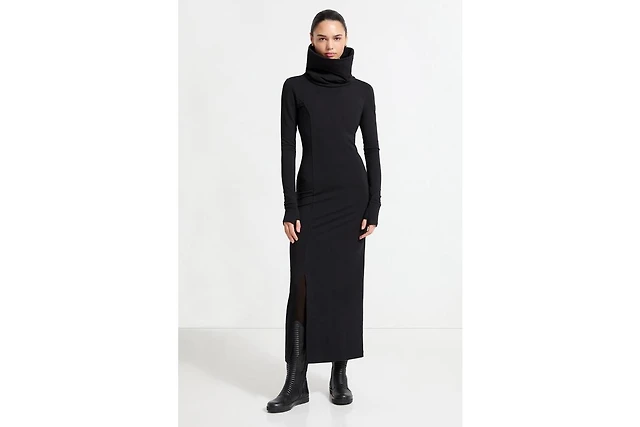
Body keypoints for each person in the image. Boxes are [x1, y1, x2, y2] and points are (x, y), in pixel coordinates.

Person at [267, 9, 382, 413]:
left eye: (336, 38)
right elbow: (287, 149)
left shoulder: (362, 91)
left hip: (351, 199)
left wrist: (374, 203)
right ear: (311, 40)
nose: (330, 46)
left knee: (344, 287)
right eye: (322, 38)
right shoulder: (295, 88)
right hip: (312, 198)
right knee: (302, 286)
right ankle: (295, 381)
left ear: (346, 39)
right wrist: (290, 206)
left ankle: (339, 375)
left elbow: (371, 148)